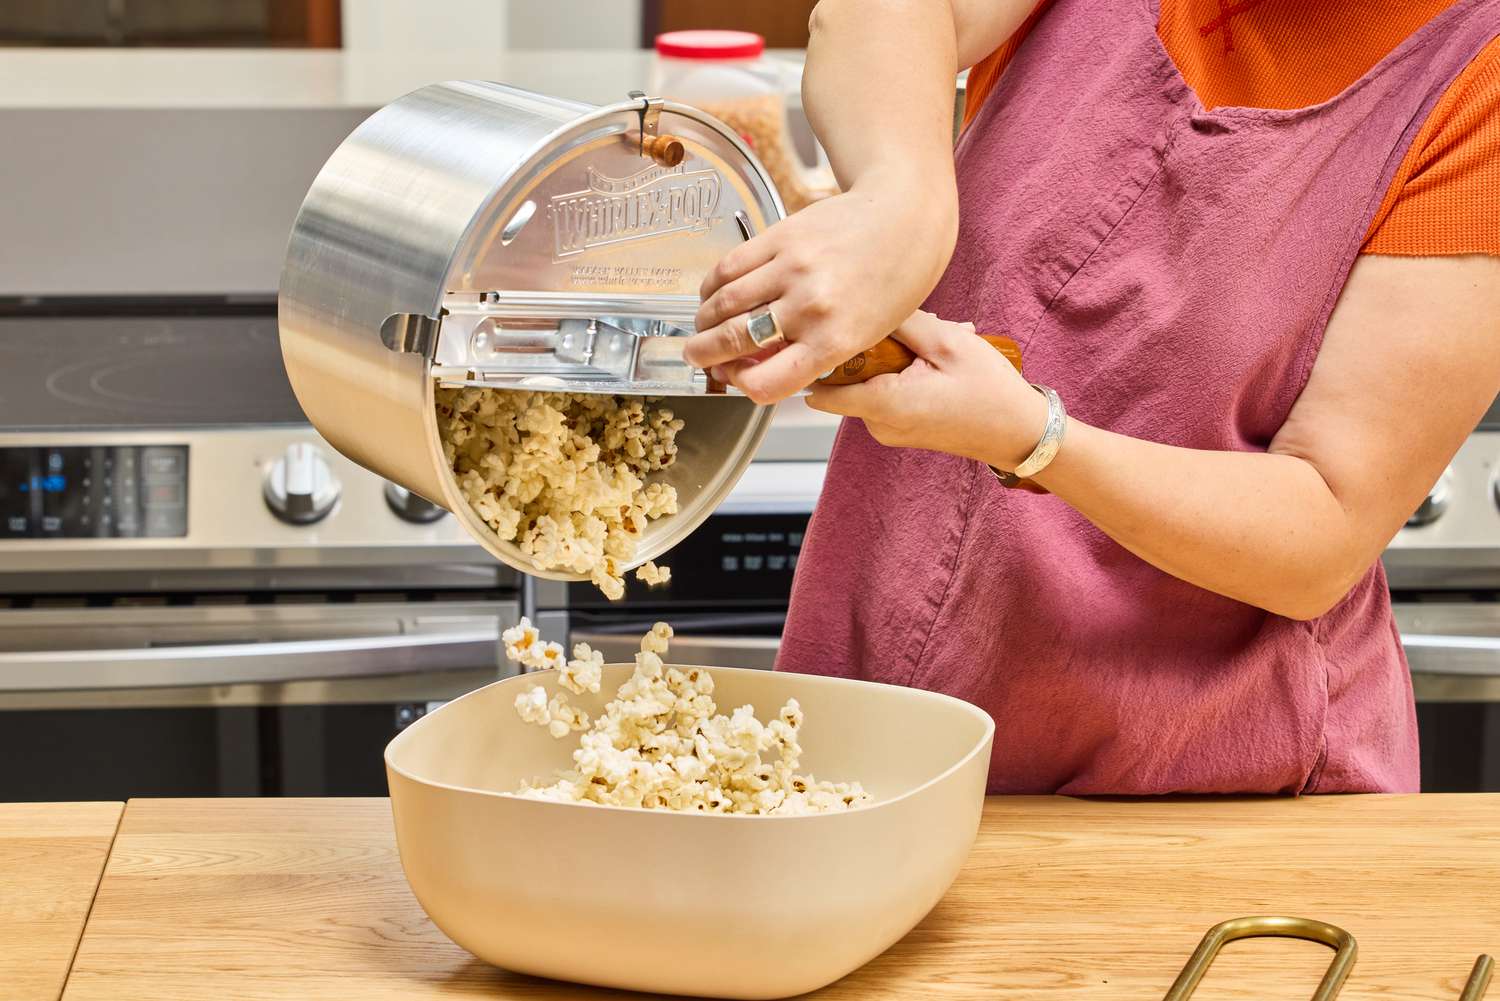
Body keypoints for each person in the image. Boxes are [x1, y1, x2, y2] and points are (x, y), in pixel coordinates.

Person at [682, 0, 1500, 794]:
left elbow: (1324, 525)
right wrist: (902, 202)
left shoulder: (1478, 82)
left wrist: (1035, 438)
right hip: (881, 724)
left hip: (1214, 778)